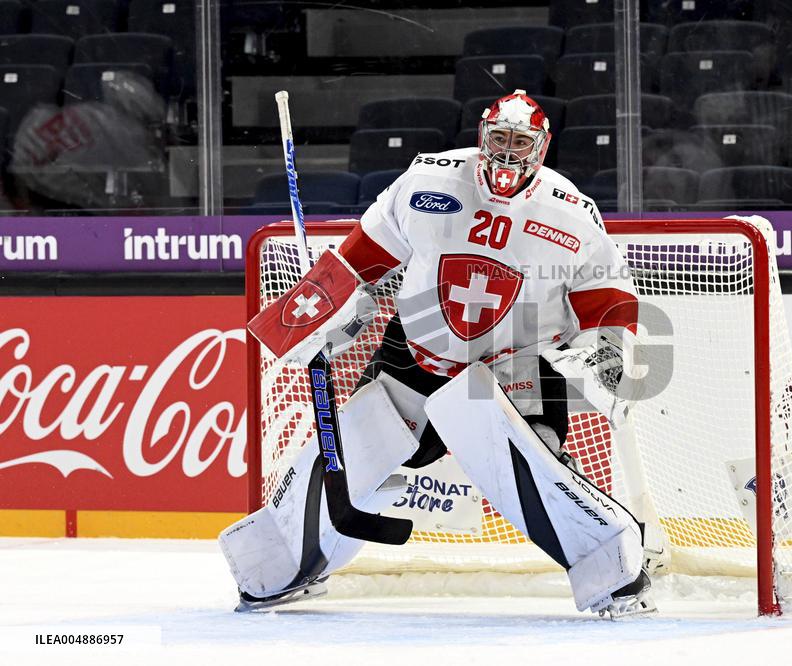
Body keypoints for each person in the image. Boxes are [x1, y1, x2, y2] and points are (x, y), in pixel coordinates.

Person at [220, 90, 655, 619]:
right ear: (481, 136)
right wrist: (318, 312)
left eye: (521, 142)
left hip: (514, 364)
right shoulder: (427, 179)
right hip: (417, 351)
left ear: (542, 146)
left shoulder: (572, 212)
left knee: (538, 466)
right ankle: (282, 564)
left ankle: (614, 568)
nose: (509, 152)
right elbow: (361, 258)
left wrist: (610, 358)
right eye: (500, 139)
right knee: (355, 455)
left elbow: (608, 298)